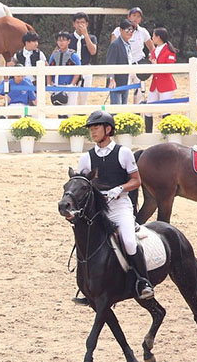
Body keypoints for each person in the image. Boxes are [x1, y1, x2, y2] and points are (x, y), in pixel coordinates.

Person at [76, 111, 154, 301]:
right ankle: (88, 287)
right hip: (98, 211)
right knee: (86, 243)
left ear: (108, 129)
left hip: (120, 207)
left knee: (128, 241)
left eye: (96, 128)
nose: (92, 132)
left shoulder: (123, 153)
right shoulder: (86, 158)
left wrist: (119, 188)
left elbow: (136, 181)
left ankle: (143, 281)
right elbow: (80, 185)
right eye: (91, 129)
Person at [110, 7, 155, 103]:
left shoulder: (143, 31)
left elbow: (152, 48)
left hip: (138, 64)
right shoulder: (118, 30)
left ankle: (137, 114)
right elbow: (113, 48)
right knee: (122, 91)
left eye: (138, 16)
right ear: (129, 16)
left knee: (138, 94)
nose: (136, 18)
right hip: (123, 65)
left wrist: (151, 58)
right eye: (134, 15)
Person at [147, 27, 178, 131]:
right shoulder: (154, 51)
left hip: (166, 85)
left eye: (154, 36)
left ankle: (166, 133)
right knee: (148, 108)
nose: (152, 38)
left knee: (165, 110)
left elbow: (169, 69)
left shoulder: (169, 51)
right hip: (155, 84)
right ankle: (148, 134)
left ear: (158, 37)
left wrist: (157, 65)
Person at [69, 12, 97, 106]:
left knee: (83, 99)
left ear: (87, 24)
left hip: (86, 68)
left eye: (82, 22)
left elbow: (93, 51)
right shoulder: (69, 38)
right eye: (77, 22)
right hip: (71, 70)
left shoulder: (92, 37)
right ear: (74, 24)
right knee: (71, 97)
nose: (80, 24)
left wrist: (86, 35)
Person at [47, 31, 81, 107]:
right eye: (59, 40)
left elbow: (77, 72)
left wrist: (72, 84)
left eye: (63, 40)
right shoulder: (54, 55)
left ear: (68, 41)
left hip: (69, 86)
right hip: (56, 86)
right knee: (59, 110)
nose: (61, 42)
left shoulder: (74, 56)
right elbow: (49, 71)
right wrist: (49, 84)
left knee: (70, 109)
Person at [106, 19, 134, 105]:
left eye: (131, 30)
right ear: (121, 30)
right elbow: (110, 63)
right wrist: (111, 79)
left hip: (126, 81)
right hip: (116, 83)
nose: (129, 32)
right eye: (127, 30)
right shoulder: (115, 45)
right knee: (116, 109)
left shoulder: (128, 44)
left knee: (123, 109)